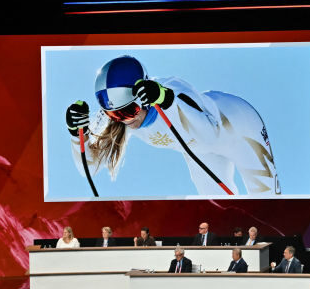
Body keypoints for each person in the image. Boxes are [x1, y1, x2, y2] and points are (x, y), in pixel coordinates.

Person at [66, 55, 281, 196]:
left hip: (238, 126)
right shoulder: (122, 120)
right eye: (113, 114)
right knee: (214, 206)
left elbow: (210, 135)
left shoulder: (174, 89)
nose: (124, 120)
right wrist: (77, 134)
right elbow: (90, 169)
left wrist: (168, 101)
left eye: (128, 111)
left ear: (144, 100)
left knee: (265, 194)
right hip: (198, 148)